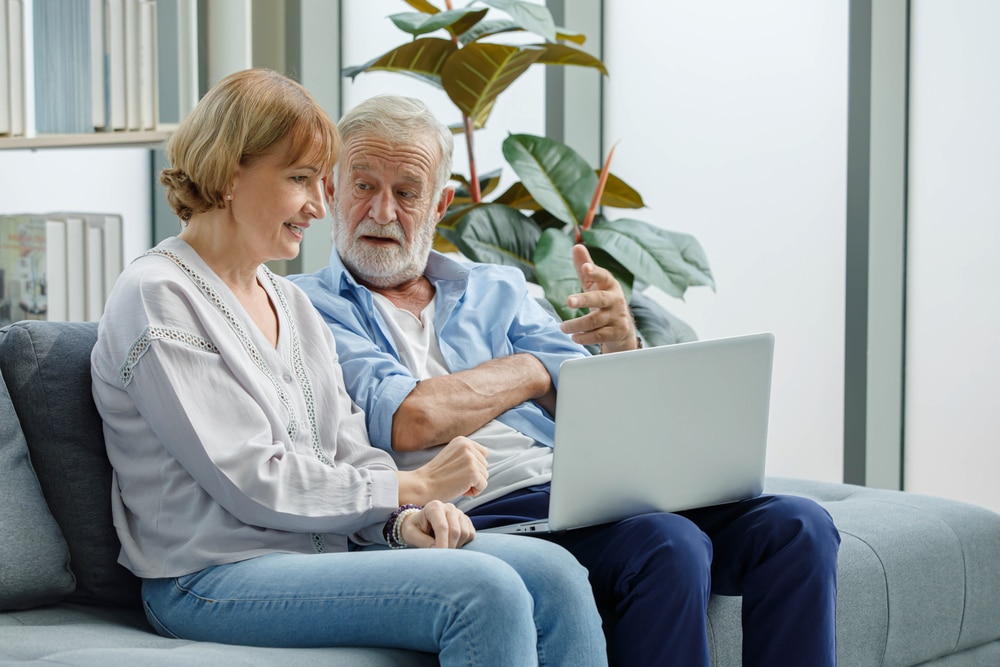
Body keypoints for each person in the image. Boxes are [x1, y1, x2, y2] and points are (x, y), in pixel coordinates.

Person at [290, 94, 843, 666]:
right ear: (331, 192)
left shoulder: (498, 287)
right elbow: (412, 418)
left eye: (406, 192)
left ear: (439, 204)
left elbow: (594, 401)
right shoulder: (307, 307)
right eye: (363, 186)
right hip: (487, 512)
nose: (382, 212)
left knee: (798, 527)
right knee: (666, 545)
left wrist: (621, 348)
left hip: (587, 492)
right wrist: (533, 369)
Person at [90, 69, 608, 666]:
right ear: (232, 172)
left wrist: (401, 524)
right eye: (300, 179)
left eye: (319, 180)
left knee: (556, 574)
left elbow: (349, 450)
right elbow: (253, 478)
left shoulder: (292, 304)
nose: (318, 203)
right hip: (207, 578)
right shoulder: (158, 295)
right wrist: (412, 485)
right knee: (481, 593)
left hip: (325, 555)